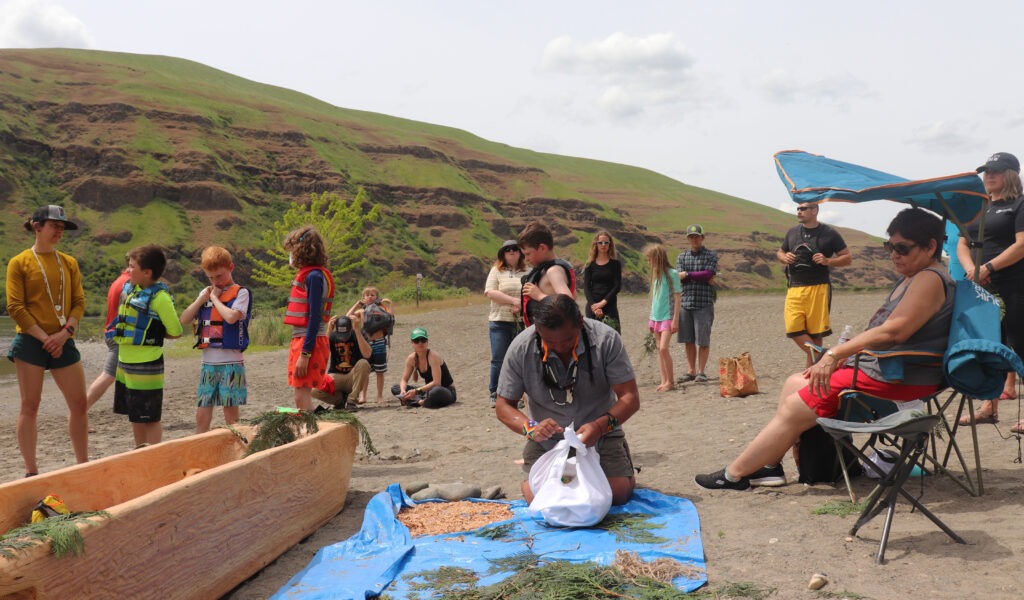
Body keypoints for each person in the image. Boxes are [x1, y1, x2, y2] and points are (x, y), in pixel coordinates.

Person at [696, 207, 953, 490]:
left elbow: (895, 331)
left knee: (796, 404)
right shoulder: (921, 275)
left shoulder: (929, 278)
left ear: (930, 246)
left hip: (896, 380)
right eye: (889, 246)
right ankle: (769, 467)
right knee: (796, 381)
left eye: (902, 248)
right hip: (890, 370)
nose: (894, 254)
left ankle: (734, 475)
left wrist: (835, 354)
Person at [495, 294, 640, 505]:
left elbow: (630, 397)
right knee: (539, 497)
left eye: (567, 341)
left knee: (616, 495)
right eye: (550, 342)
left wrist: (599, 427)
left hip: (601, 435)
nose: (559, 347)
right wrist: (531, 428)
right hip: (547, 440)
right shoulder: (521, 348)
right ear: (537, 329)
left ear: (580, 322)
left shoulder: (605, 340)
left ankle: (625, 472)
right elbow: (502, 406)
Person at [6, 205, 89, 477]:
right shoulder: (19, 262)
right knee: (30, 405)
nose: (59, 232)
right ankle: (31, 471)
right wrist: (46, 338)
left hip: (63, 338)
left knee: (79, 403)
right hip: (31, 341)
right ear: (36, 226)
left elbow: (78, 302)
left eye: (62, 228)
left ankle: (83, 465)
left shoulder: (70, 263)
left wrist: (65, 334)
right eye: (55, 226)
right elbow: (15, 307)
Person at [956, 152, 1024, 430]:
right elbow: (963, 242)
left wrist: (989, 268)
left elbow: (1022, 244)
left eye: (995, 171)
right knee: (990, 346)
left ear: (1011, 174)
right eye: (986, 171)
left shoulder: (1020, 204)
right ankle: (989, 407)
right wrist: (973, 269)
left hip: (1015, 284)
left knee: (1021, 344)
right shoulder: (977, 207)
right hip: (981, 287)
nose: (989, 176)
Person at [109, 244, 184, 447]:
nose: (128, 270)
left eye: (132, 266)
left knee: (150, 417)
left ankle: (154, 454)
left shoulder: (160, 298)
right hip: (126, 363)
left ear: (147, 272)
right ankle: (139, 452)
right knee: (135, 415)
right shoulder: (132, 290)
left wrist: (152, 334)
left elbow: (176, 331)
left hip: (147, 364)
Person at [178, 246, 250, 433]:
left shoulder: (242, 293)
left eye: (219, 276)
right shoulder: (206, 293)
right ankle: (199, 445)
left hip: (231, 364)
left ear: (231, 267)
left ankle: (235, 447)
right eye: (211, 278)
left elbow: (231, 317)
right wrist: (202, 299)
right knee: (202, 412)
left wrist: (215, 299)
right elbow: (184, 319)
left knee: (230, 414)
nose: (215, 281)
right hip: (208, 364)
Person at [777, 202, 852, 367]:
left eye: (803, 209)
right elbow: (780, 251)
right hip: (794, 287)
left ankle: (810, 373)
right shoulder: (792, 232)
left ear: (814, 211)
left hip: (819, 287)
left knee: (816, 334)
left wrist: (828, 260)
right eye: (798, 209)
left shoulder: (829, 233)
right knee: (793, 328)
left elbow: (847, 257)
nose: (799, 212)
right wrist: (784, 257)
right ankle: (826, 356)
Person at [283, 226, 334, 411]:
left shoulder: (314, 277)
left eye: (292, 249)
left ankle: (311, 433)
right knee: (299, 394)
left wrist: (305, 354)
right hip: (303, 339)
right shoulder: (312, 275)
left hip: (309, 341)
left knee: (301, 395)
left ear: (301, 250)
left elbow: (314, 317)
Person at [484, 239, 529, 407]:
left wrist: (521, 306)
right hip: (499, 321)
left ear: (520, 253)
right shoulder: (496, 270)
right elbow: (490, 292)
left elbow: (532, 292)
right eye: (507, 249)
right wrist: (513, 301)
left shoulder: (528, 271)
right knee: (498, 359)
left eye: (515, 249)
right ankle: (495, 393)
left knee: (518, 359)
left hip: (521, 322)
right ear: (503, 253)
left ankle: (516, 395)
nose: (511, 251)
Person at [86, 260, 131, 416]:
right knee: (109, 374)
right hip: (119, 334)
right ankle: (79, 412)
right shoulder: (129, 283)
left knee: (124, 374)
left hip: (113, 331)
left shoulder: (119, 280)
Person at [676, 224, 719, 383]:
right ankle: (691, 371)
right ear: (688, 239)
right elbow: (678, 276)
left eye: (696, 236)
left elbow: (708, 273)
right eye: (691, 237)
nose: (694, 239)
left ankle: (701, 372)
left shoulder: (711, 255)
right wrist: (699, 276)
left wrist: (687, 274)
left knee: (703, 339)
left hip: (704, 303)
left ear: (702, 237)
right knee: (688, 339)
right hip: (686, 302)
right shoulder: (682, 257)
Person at [518, 221, 577, 327]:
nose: (526, 259)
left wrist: (539, 296)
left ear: (542, 248)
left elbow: (569, 303)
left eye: (528, 254)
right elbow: (575, 295)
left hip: (553, 336)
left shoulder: (553, 271)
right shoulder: (545, 269)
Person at [313, 313, 372, 409]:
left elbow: (367, 354)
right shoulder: (332, 336)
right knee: (314, 389)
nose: (343, 338)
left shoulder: (357, 334)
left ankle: (352, 400)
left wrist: (357, 330)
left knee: (364, 363)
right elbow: (322, 354)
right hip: (336, 376)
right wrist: (329, 330)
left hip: (353, 378)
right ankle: (340, 400)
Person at [346, 287, 393, 404]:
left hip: (380, 342)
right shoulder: (362, 311)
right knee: (366, 371)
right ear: (363, 298)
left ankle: (380, 396)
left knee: (380, 371)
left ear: (377, 297)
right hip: (366, 344)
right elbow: (347, 317)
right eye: (367, 295)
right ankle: (363, 396)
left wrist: (390, 304)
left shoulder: (381, 309)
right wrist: (356, 305)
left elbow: (391, 318)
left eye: (372, 295)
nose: (370, 297)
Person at [391, 327, 457, 408]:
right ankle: (421, 401)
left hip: (445, 390)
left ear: (427, 341)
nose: (420, 343)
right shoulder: (411, 358)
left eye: (423, 340)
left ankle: (415, 401)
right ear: (412, 343)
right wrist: (403, 391)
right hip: (427, 391)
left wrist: (416, 391)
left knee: (436, 391)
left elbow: (437, 383)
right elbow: (404, 379)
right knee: (395, 387)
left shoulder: (433, 356)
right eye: (416, 340)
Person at [645, 244, 681, 391]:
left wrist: (675, 320)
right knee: (659, 350)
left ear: (657, 258)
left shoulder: (672, 273)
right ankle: (664, 380)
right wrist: (650, 319)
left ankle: (670, 382)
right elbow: (655, 299)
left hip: (668, 316)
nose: (648, 262)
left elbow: (678, 297)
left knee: (664, 348)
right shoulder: (655, 275)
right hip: (656, 317)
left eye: (650, 259)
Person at [582, 230, 622, 333]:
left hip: (609, 306)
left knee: (613, 339)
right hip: (593, 307)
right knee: (593, 341)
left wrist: (602, 303)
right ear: (596, 244)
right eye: (600, 242)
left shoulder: (615, 264)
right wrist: (595, 307)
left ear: (610, 244)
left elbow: (617, 286)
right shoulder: (589, 265)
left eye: (606, 242)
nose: (603, 245)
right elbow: (586, 288)